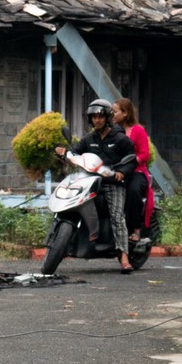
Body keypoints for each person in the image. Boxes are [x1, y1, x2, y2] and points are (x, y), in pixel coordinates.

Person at [55, 99, 140, 270]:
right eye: (93, 117)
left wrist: (121, 172)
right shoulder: (89, 139)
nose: (97, 120)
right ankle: (66, 241)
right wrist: (64, 153)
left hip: (111, 184)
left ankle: (124, 256)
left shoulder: (120, 139)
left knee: (117, 216)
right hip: (90, 182)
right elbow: (75, 152)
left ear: (107, 117)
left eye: (100, 116)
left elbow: (132, 160)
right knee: (72, 202)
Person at [113, 97, 154, 259]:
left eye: (115, 111)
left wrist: (129, 162)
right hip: (116, 172)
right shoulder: (112, 131)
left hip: (136, 172)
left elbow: (145, 154)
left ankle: (135, 229)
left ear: (125, 113)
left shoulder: (138, 130)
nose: (112, 115)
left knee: (133, 190)